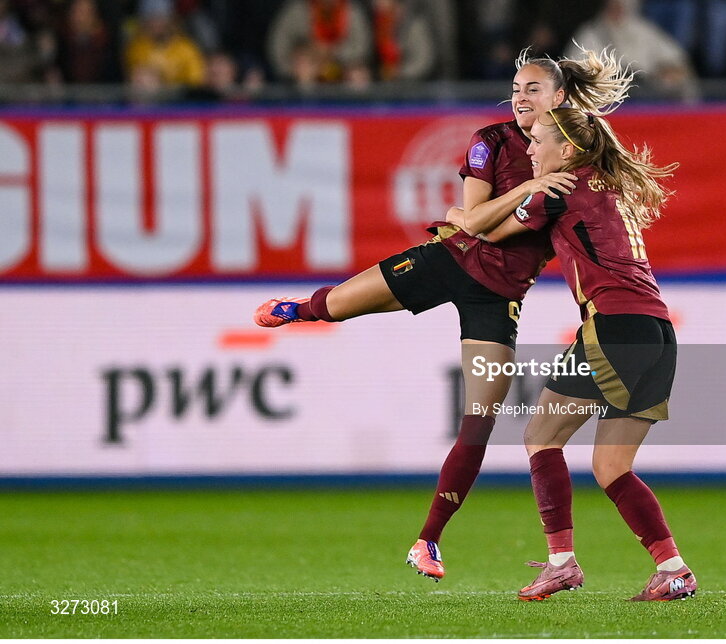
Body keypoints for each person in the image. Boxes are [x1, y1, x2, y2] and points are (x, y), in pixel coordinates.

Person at [253, 48, 633, 582]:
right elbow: (472, 220)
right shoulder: (493, 141)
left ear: (560, 98)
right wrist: (509, 196)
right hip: (446, 259)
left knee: (480, 420)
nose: (521, 97)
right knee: (336, 307)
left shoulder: (570, 159)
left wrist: (472, 215)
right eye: (517, 88)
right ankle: (298, 308)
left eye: (533, 89)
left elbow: (484, 219)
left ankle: (427, 540)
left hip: (498, 298)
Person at [451, 106, 696, 601]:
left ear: (567, 150)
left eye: (539, 141)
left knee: (542, 436)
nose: (530, 150)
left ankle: (561, 563)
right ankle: (673, 569)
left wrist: (459, 214)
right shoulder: (607, 184)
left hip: (613, 325)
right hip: (656, 330)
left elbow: (483, 229)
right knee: (611, 468)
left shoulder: (556, 189)